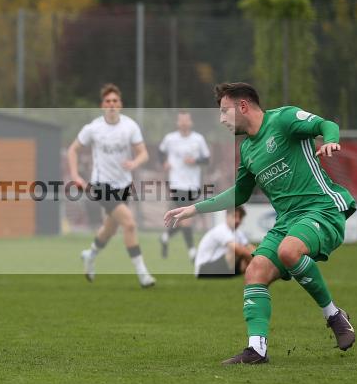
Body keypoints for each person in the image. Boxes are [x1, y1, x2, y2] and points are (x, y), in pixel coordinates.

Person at [165, 82, 357, 365]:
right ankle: (257, 349)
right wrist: (195, 208)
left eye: (224, 111)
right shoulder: (248, 150)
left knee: (288, 251)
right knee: (255, 271)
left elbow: (325, 124)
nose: (221, 119)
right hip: (288, 221)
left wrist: (330, 140)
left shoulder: (283, 119)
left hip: (321, 209)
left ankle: (334, 315)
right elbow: (240, 193)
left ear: (243, 106)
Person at [67, 84, 156, 288]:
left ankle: (90, 255)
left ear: (120, 104)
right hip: (101, 185)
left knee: (110, 228)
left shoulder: (130, 126)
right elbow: (73, 150)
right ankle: (143, 274)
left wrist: (135, 163)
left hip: (123, 186)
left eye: (115, 101)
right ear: (102, 106)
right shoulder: (93, 128)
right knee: (130, 224)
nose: (112, 105)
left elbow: (143, 153)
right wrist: (75, 176)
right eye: (108, 101)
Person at [158, 110, 211, 261]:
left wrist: (195, 161)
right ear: (177, 123)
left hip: (193, 185)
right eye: (181, 120)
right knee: (187, 218)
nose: (183, 123)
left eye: (186, 120)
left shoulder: (198, 139)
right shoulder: (170, 138)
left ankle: (165, 237)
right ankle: (192, 252)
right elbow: (160, 152)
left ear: (190, 122)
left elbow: (207, 159)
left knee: (185, 218)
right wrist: (164, 162)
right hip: (176, 184)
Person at [194, 207, 255, 278]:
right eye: (234, 216)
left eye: (240, 217)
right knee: (235, 250)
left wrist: (261, 256)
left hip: (219, 266)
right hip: (204, 269)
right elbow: (237, 249)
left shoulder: (238, 233)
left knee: (245, 254)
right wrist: (256, 259)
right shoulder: (221, 230)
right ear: (227, 216)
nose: (238, 220)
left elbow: (250, 247)